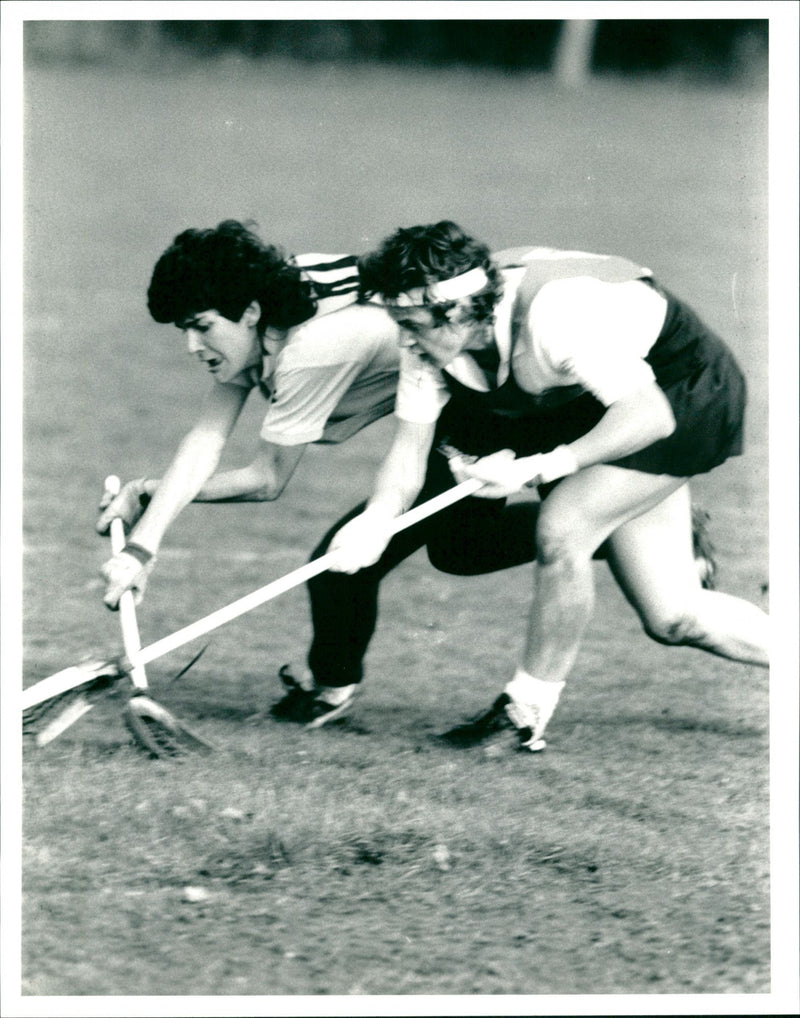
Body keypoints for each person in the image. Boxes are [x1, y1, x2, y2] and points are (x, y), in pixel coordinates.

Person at [322, 220, 769, 754]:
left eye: (413, 324)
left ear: (459, 308)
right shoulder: (433, 343)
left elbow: (647, 415)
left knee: (563, 530)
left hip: (684, 392)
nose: (404, 340)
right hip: (598, 400)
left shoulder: (558, 317)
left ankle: (523, 716)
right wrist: (376, 519)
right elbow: (409, 450)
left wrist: (542, 467)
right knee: (674, 617)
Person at [96, 219, 403, 724]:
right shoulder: (261, 322)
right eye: (184, 330)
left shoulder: (311, 349)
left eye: (202, 326)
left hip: (485, 411)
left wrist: (149, 495)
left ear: (252, 312)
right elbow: (205, 440)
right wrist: (140, 548)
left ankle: (330, 695)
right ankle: (329, 696)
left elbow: (268, 480)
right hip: (452, 411)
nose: (192, 346)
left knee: (398, 558)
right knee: (421, 557)